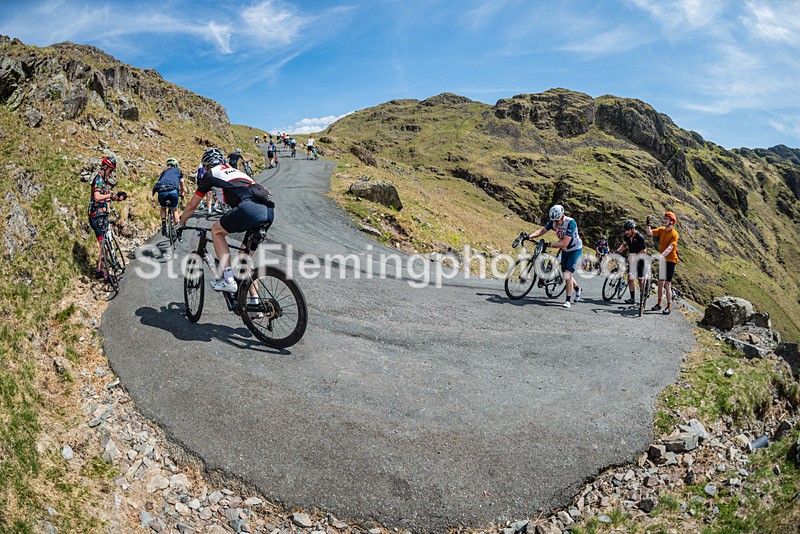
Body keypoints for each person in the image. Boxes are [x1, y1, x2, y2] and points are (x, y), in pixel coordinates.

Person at [175, 148, 274, 293]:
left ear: (207, 165)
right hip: (268, 210)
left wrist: (180, 224)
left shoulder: (210, 174)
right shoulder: (236, 171)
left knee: (216, 231)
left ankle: (228, 280)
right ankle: (256, 303)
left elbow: (191, 206)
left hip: (249, 208)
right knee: (244, 258)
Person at [527, 204, 583, 309]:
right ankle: (577, 288)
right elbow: (542, 230)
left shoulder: (571, 223)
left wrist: (549, 244)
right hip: (564, 250)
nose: (555, 223)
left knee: (567, 274)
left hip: (574, 250)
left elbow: (565, 243)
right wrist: (530, 236)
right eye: (553, 221)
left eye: (557, 221)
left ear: (562, 216)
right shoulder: (553, 221)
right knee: (565, 274)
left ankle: (567, 300)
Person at [87, 156, 121, 279]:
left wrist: (116, 197)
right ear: (105, 167)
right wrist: (110, 196)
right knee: (105, 244)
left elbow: (105, 196)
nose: (111, 173)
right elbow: (97, 197)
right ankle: (107, 276)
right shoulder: (98, 179)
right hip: (95, 216)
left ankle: (99, 270)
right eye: (110, 170)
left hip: (102, 214)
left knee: (104, 242)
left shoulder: (103, 180)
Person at [646, 211, 679, 315]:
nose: (664, 221)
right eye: (664, 219)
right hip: (663, 260)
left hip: (671, 260)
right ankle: (659, 304)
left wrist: (661, 255)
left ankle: (668, 306)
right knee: (660, 283)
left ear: (672, 222)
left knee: (667, 285)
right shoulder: (661, 230)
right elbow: (649, 233)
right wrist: (648, 224)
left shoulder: (674, 234)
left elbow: (670, 248)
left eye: (666, 219)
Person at [614, 219, 647, 304]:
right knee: (630, 278)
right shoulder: (626, 237)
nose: (626, 232)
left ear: (632, 229)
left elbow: (644, 250)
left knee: (640, 279)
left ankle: (642, 296)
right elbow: (624, 245)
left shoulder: (640, 237)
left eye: (628, 230)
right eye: (625, 230)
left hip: (640, 258)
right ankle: (632, 299)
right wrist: (618, 251)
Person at [152, 157, 185, 237]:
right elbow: (182, 184)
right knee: (175, 210)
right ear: (176, 165)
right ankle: (177, 228)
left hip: (162, 191)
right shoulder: (178, 171)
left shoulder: (164, 172)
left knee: (163, 207)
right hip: (173, 191)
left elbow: (159, 182)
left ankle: (163, 223)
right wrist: (182, 193)